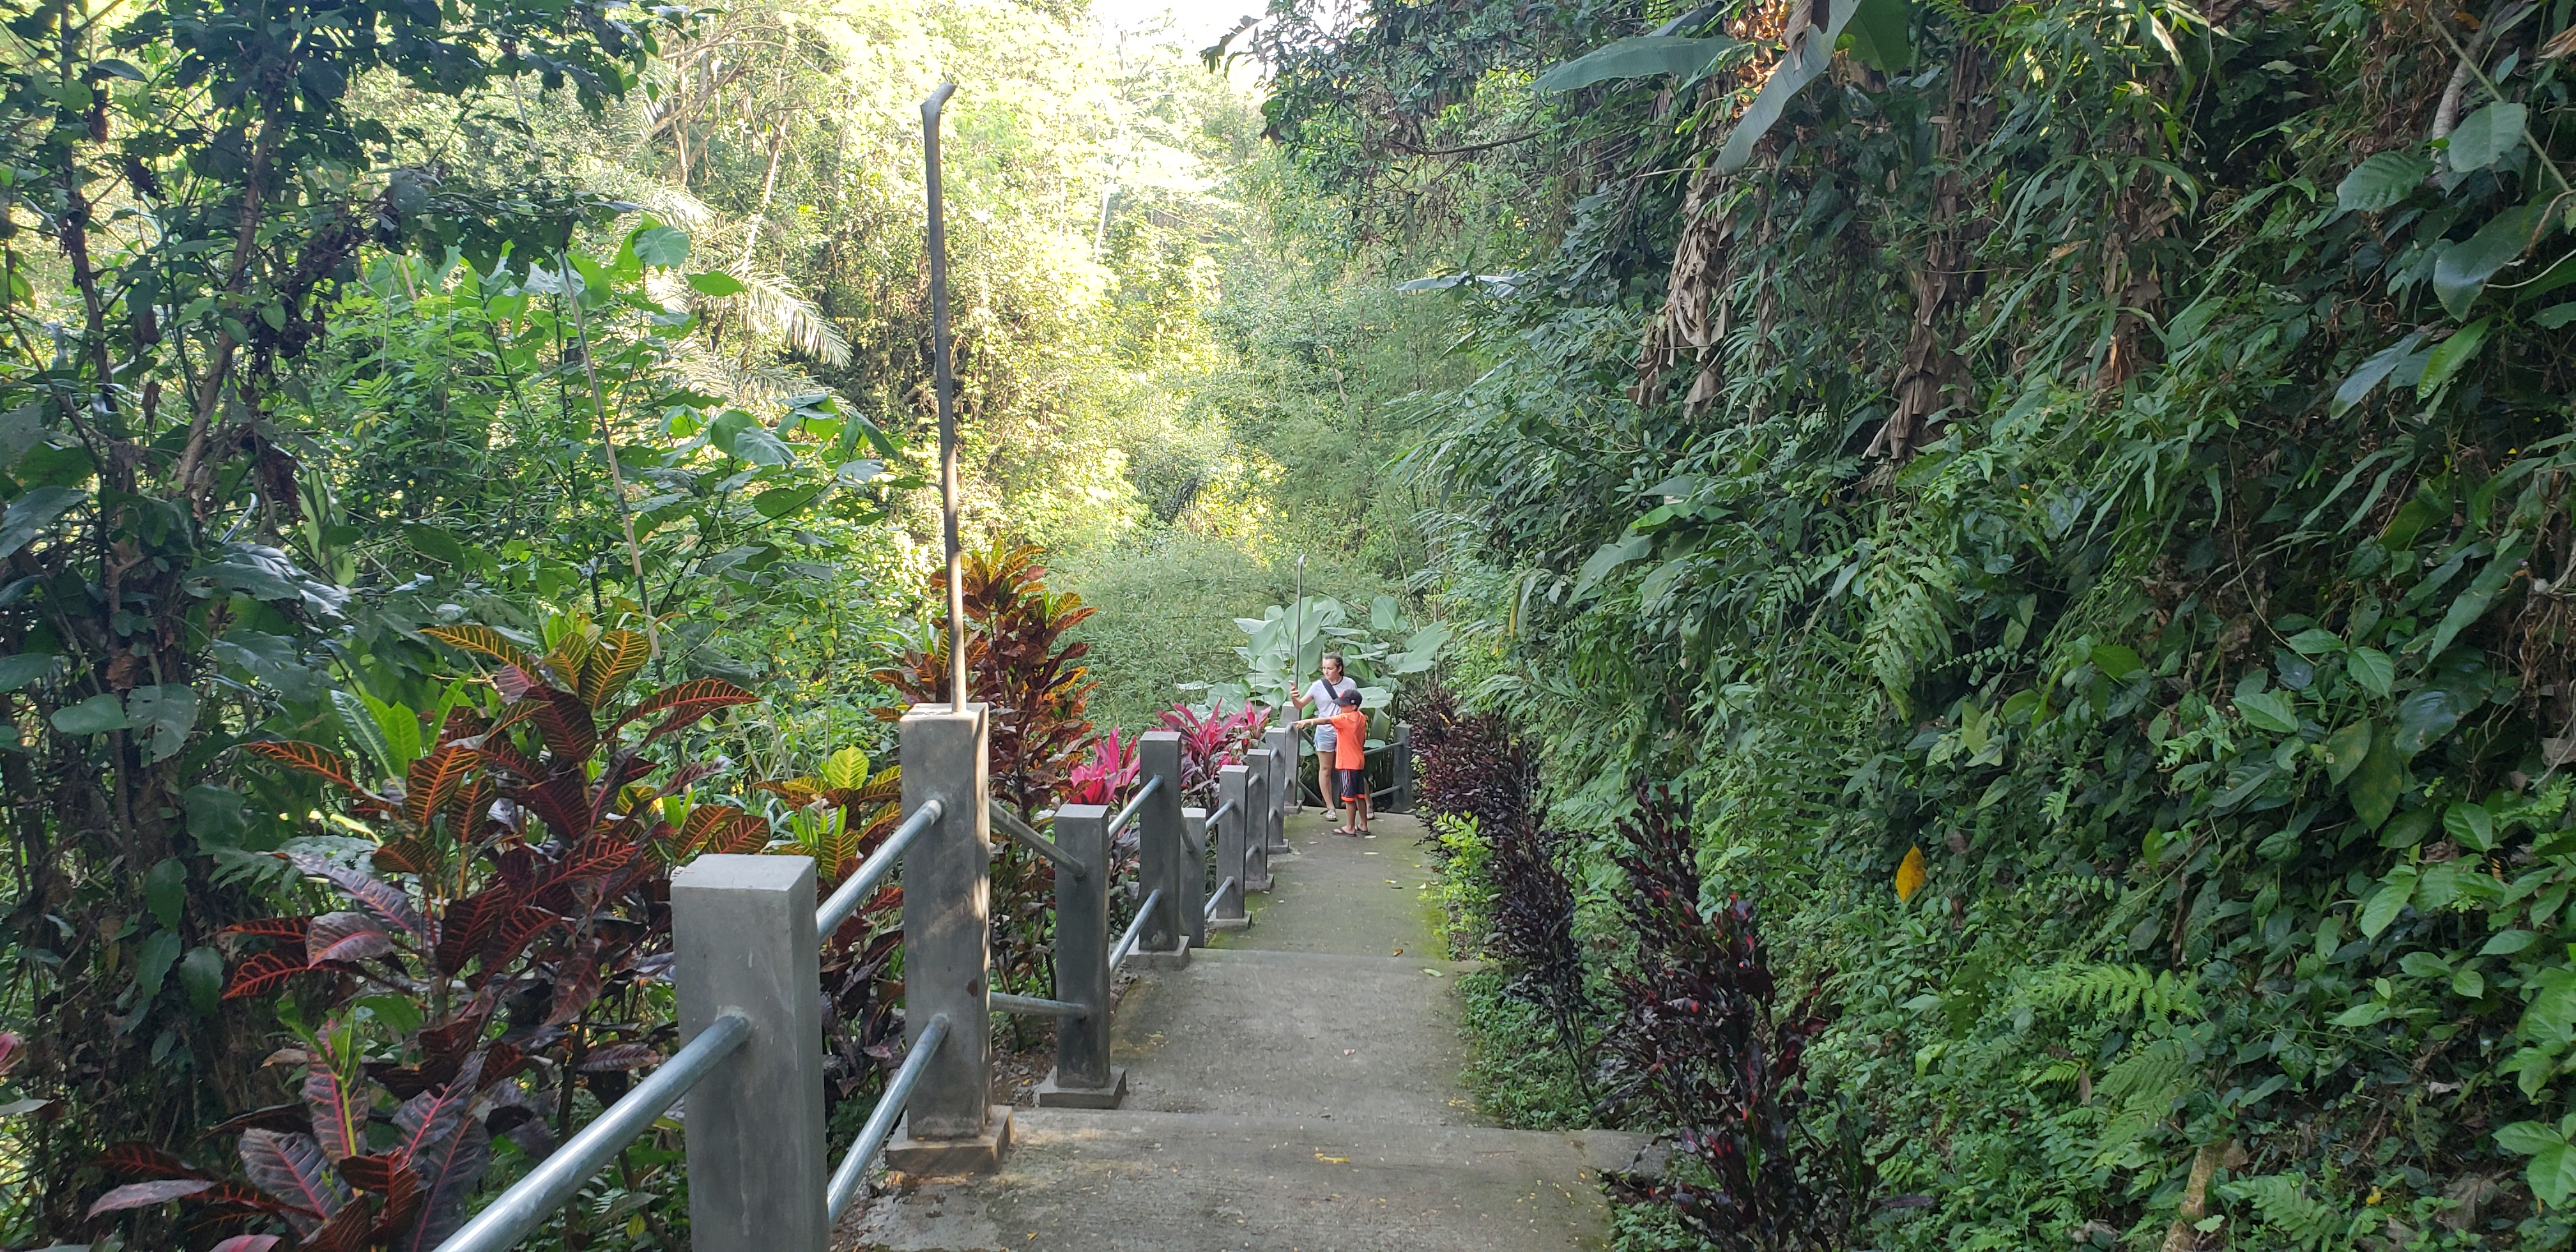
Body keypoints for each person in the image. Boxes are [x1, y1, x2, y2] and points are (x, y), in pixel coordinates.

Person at [1290, 652, 1361, 818]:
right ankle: (1330, 807)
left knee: (1353, 768)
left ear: (1339, 669)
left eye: (1330, 668)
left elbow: (1356, 709)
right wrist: (1294, 697)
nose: (1326, 672)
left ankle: (1366, 805)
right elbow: (1300, 705)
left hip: (1345, 732)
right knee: (1325, 769)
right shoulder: (1317, 686)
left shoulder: (1350, 684)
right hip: (1325, 732)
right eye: (1324, 668)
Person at [1292, 690, 1371, 836]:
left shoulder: (1346, 719)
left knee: (1348, 797)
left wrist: (1308, 721)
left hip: (1348, 763)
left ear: (1353, 707)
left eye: (1343, 705)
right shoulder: (1360, 717)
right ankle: (1363, 825)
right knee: (1360, 795)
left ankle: (1350, 827)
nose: (1340, 707)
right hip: (1359, 761)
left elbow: (1326, 720)